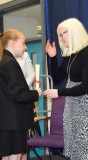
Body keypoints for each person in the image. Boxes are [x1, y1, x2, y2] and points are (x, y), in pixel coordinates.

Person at [44, 18, 88, 160]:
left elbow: (86, 87)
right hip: (72, 105)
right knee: (74, 146)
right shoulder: (70, 55)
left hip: (86, 106)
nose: (61, 38)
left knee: (86, 147)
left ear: (73, 32)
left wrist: (59, 92)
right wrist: (53, 58)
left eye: (62, 34)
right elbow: (58, 78)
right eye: (59, 35)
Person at [0, 29, 42, 160]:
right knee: (15, 156)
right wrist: (36, 93)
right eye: (23, 43)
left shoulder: (4, 61)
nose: (25, 46)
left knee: (7, 156)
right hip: (15, 120)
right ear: (13, 43)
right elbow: (18, 94)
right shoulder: (11, 63)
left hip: (6, 120)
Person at [16, 52, 35, 160]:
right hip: (7, 100)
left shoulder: (25, 55)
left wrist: (21, 88)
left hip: (24, 96)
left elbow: (31, 74)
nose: (25, 46)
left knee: (23, 136)